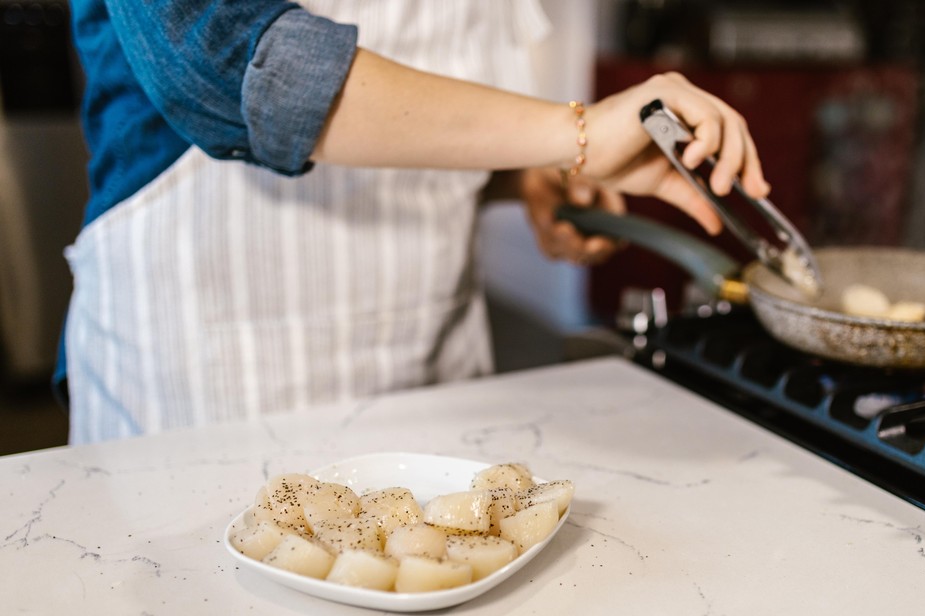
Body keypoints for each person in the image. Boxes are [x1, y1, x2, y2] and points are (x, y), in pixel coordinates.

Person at [63, 0, 770, 444]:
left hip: (438, 367)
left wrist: (519, 172)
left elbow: (422, 81)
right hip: (212, 382)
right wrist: (574, 132)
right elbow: (233, 65)